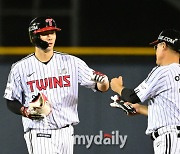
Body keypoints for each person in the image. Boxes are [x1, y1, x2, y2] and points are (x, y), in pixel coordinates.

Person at [3, 16, 109, 154]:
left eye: (52, 33)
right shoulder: (20, 67)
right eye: (45, 33)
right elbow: (10, 100)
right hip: (39, 132)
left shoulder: (72, 62)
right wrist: (25, 111)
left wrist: (105, 82)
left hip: (67, 133)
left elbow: (101, 88)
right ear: (34, 36)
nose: (50, 37)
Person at [110, 29, 180, 154]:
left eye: (156, 46)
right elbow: (173, 111)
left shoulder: (163, 71)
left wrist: (117, 87)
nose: (156, 50)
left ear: (163, 45)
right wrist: (140, 109)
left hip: (170, 138)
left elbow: (132, 96)